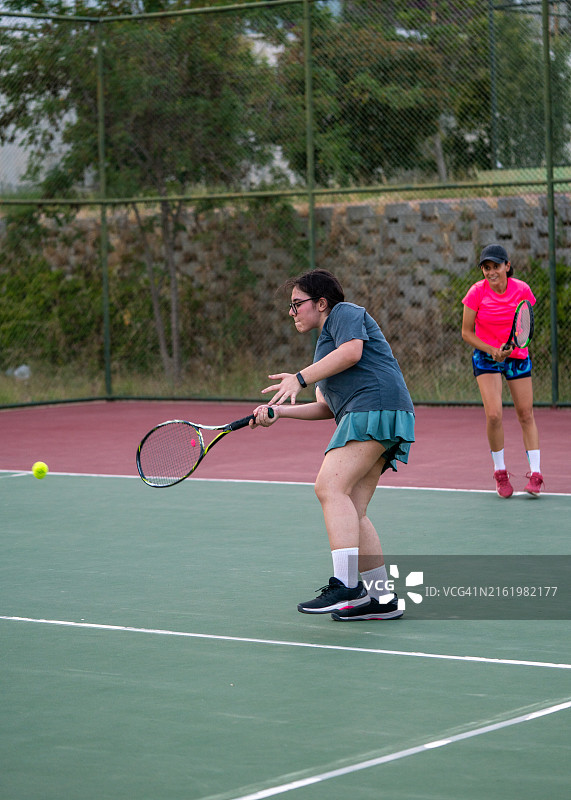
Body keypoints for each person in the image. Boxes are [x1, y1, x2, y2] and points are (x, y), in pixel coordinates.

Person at [250, 269, 415, 621]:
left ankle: (346, 583)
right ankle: (381, 597)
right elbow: (327, 407)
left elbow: (353, 353)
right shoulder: (324, 348)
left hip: (374, 407)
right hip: (378, 412)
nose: (291, 312)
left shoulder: (345, 314)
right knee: (353, 508)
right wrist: (278, 411)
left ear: (321, 303)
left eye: (297, 304)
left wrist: (299, 378)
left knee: (328, 487)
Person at [461, 243, 543, 498]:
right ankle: (500, 472)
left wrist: (511, 347)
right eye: (486, 267)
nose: (491, 271)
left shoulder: (522, 290)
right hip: (487, 358)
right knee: (494, 415)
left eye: (495, 266)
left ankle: (536, 474)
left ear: (507, 266)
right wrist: (492, 349)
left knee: (525, 414)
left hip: (517, 356)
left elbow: (525, 325)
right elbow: (466, 332)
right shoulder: (476, 292)